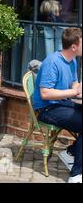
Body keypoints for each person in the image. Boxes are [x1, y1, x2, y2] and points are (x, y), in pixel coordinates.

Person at [33, 27, 82, 183]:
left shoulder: (72, 60)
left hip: (62, 104)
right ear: (74, 47)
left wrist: (77, 88)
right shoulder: (52, 62)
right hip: (46, 109)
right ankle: (76, 175)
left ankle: (70, 153)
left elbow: (73, 82)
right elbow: (45, 94)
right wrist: (74, 93)